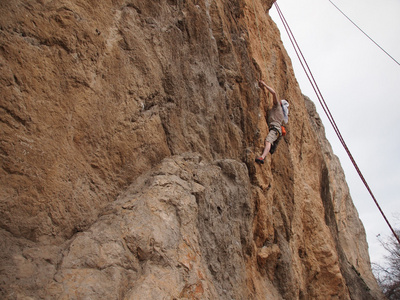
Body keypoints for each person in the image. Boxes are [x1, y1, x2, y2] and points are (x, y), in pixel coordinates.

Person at [255, 80, 289, 164]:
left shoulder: (277, 106)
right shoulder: (282, 114)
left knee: (268, 141)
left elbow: (274, 93)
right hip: (278, 131)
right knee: (272, 141)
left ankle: (262, 157)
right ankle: (272, 148)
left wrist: (265, 85)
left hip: (274, 129)